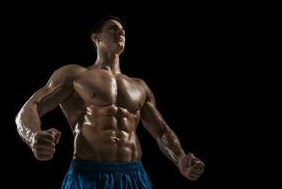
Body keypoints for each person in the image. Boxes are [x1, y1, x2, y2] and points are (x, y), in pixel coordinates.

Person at [15, 15, 205, 189]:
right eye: (113, 28)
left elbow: (161, 131)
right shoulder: (75, 75)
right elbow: (31, 107)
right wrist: (33, 136)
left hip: (134, 176)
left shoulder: (139, 86)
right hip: (88, 175)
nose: (120, 31)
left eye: (123, 30)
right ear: (95, 38)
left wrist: (180, 158)